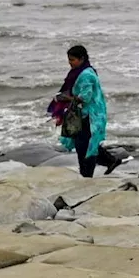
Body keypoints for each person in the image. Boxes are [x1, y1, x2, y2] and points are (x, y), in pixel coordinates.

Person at [50, 45, 122, 178]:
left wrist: (65, 98)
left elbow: (85, 97)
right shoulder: (80, 72)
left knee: (84, 146)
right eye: (69, 59)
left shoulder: (86, 75)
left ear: (81, 59)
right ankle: (111, 161)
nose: (70, 62)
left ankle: (86, 176)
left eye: (72, 59)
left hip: (89, 115)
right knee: (85, 143)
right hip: (82, 114)